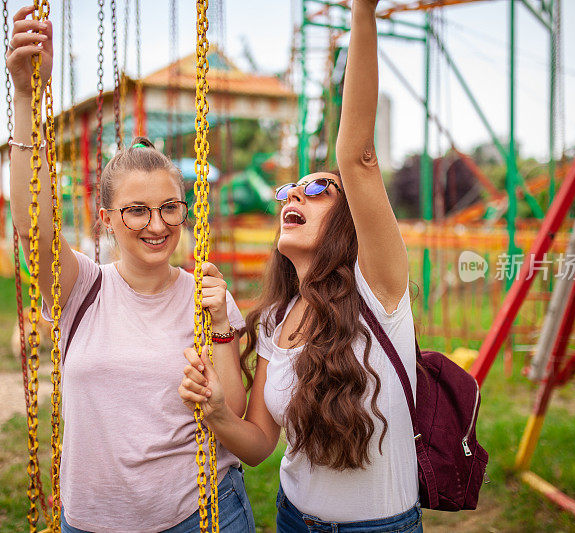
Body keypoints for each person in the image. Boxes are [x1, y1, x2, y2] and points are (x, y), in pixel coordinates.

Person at [6, 6, 255, 532]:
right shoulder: (81, 289)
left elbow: (230, 411)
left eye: (169, 207)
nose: (156, 225)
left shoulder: (205, 294)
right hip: (93, 521)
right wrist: (28, 98)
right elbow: (35, 226)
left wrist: (222, 327)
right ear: (107, 219)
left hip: (201, 514)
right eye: (136, 210)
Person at [178, 1, 422, 531]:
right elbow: (260, 444)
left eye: (317, 189)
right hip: (292, 520)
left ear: (348, 220)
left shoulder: (377, 290)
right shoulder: (275, 320)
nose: (296, 193)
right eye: (289, 189)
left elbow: (357, 155)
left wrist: (362, 12)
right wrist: (217, 411)